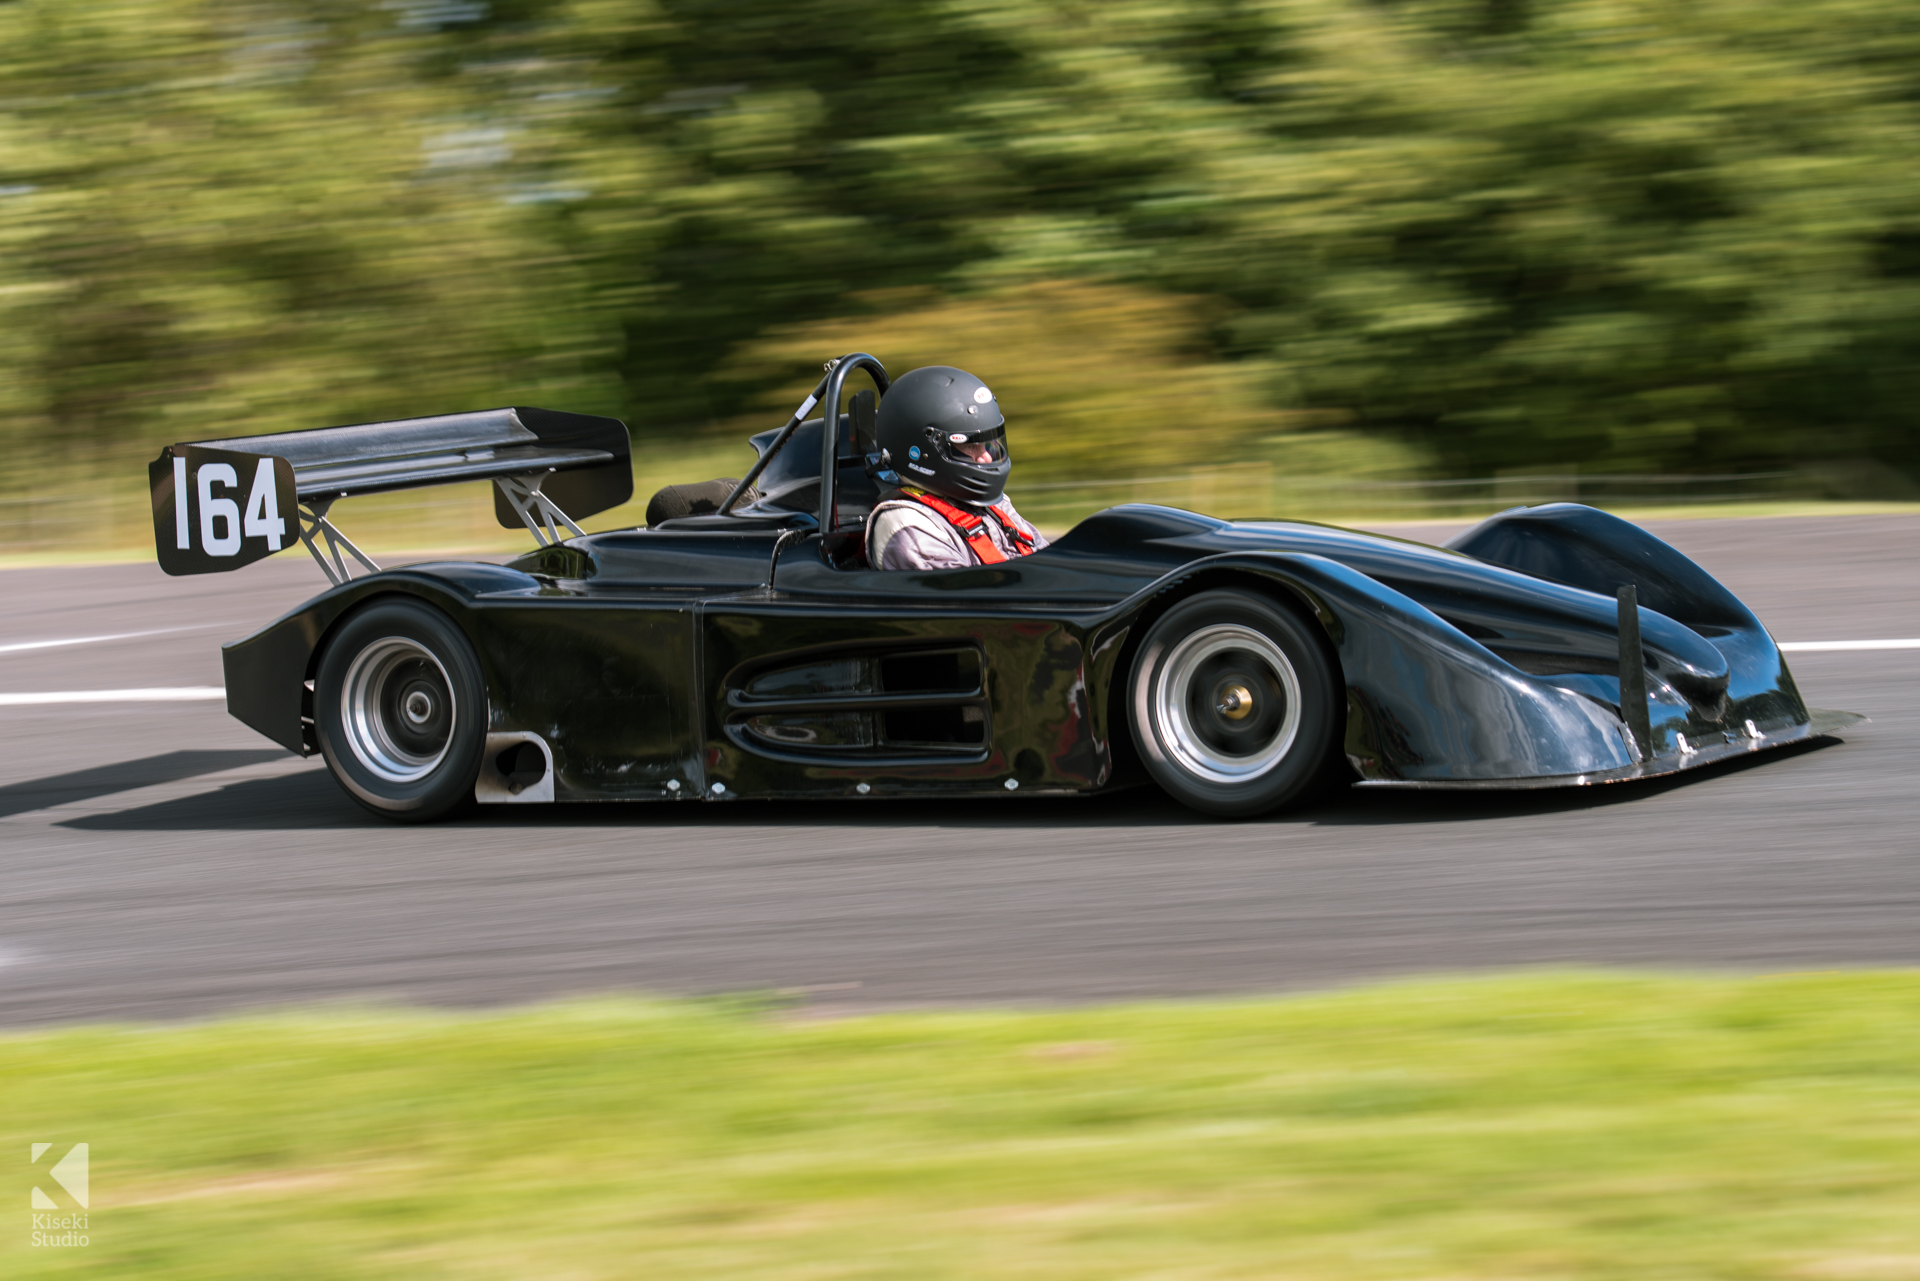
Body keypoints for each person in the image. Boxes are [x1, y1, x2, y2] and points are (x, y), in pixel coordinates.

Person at [864, 365, 1049, 570]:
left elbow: (1048, 564)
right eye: (970, 445)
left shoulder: (993, 505)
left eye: (988, 444)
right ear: (921, 451)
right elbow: (968, 597)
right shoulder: (907, 526)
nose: (987, 457)